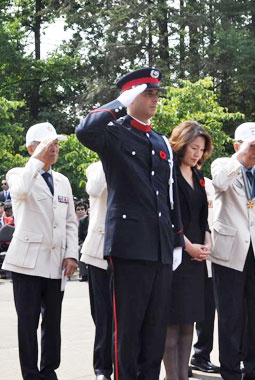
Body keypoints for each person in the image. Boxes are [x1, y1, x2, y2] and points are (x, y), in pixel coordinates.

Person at [75, 67, 184, 380]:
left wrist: (176, 238)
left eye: (156, 93)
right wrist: (118, 103)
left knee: (155, 330)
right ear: (132, 96)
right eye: (148, 93)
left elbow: (168, 195)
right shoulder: (114, 132)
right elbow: (85, 130)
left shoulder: (161, 141)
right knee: (128, 330)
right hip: (130, 245)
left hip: (161, 247)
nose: (155, 99)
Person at [2, 122, 78, 380]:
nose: (54, 149)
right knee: (28, 322)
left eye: (56, 144)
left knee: (52, 322)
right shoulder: (18, 173)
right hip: (27, 262)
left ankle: (48, 370)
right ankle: (30, 373)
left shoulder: (62, 180)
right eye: (48, 144)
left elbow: (70, 221)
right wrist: (36, 160)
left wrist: (71, 253)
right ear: (31, 148)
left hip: (56, 262)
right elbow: (21, 191)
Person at [210, 122, 255, 380]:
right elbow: (218, 183)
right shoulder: (223, 164)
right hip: (228, 254)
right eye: (253, 146)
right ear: (237, 146)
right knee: (230, 316)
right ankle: (230, 370)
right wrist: (239, 158)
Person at [163, 121, 213, 380]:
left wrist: (206, 242)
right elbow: (167, 216)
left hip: (196, 259)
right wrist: (187, 245)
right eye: (194, 148)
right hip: (175, 256)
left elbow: (203, 216)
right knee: (171, 325)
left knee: (188, 324)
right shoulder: (168, 173)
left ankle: (183, 375)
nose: (197, 154)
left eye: (201, 150)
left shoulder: (199, 176)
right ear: (181, 144)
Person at [80, 161, 112, 380]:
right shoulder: (96, 167)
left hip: (132, 250)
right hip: (99, 252)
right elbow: (95, 188)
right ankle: (102, 368)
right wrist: (107, 151)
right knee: (102, 315)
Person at [190, 176, 220, 375]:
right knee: (179, 314)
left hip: (208, 252)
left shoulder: (208, 183)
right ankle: (178, 361)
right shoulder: (171, 176)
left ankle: (202, 355)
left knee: (207, 311)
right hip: (185, 251)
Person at [76, 200, 89, 282]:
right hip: (84, 242)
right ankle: (84, 275)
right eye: (78, 209)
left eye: (82, 209)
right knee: (79, 250)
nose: (80, 211)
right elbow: (80, 236)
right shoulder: (82, 221)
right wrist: (81, 244)